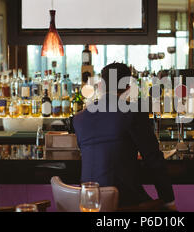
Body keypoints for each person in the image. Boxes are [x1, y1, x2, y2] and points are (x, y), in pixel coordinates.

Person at [73, 62, 176, 210]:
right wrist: (169, 201)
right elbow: (153, 159)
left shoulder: (79, 118)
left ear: (100, 86)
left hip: (89, 202)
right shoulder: (133, 112)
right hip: (124, 203)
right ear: (129, 88)